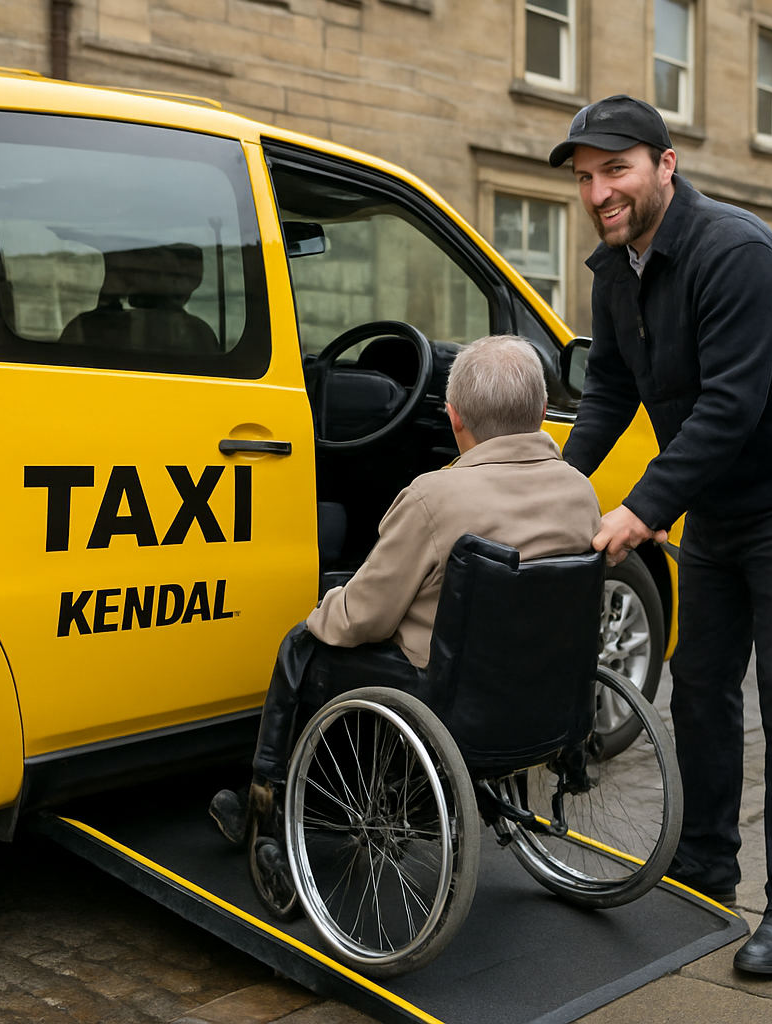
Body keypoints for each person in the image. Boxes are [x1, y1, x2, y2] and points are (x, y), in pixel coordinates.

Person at [549, 95, 772, 975]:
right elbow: (611, 388)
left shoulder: (739, 253)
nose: (600, 190)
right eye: (585, 177)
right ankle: (706, 868)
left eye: (616, 169)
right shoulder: (616, 266)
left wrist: (640, 509)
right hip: (718, 501)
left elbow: (731, 405)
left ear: (664, 164)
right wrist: (561, 488)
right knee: (702, 685)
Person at [210, 334, 601, 918]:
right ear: (542, 413)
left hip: (449, 700)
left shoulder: (436, 497)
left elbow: (365, 615)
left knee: (306, 645)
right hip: (544, 697)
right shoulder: (579, 491)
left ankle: (264, 812)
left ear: (453, 417)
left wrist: (327, 606)